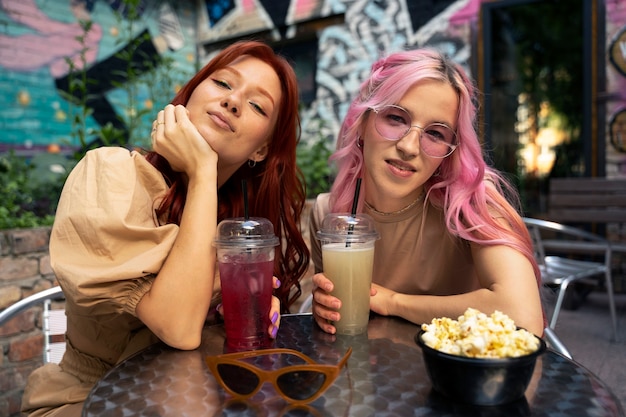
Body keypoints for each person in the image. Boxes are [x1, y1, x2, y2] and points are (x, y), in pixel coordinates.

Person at [21, 40, 310, 417]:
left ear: (261, 151)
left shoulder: (234, 224)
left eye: (257, 105)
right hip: (90, 401)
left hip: (189, 395)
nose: (233, 101)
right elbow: (177, 327)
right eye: (223, 83)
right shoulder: (110, 173)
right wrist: (203, 171)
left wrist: (240, 312)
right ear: (188, 98)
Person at [309, 48, 545, 337]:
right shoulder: (329, 213)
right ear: (362, 123)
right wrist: (324, 306)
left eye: (435, 133)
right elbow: (339, 322)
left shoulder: (472, 201)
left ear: (449, 151)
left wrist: (394, 302)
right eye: (396, 118)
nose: (409, 147)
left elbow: (523, 316)